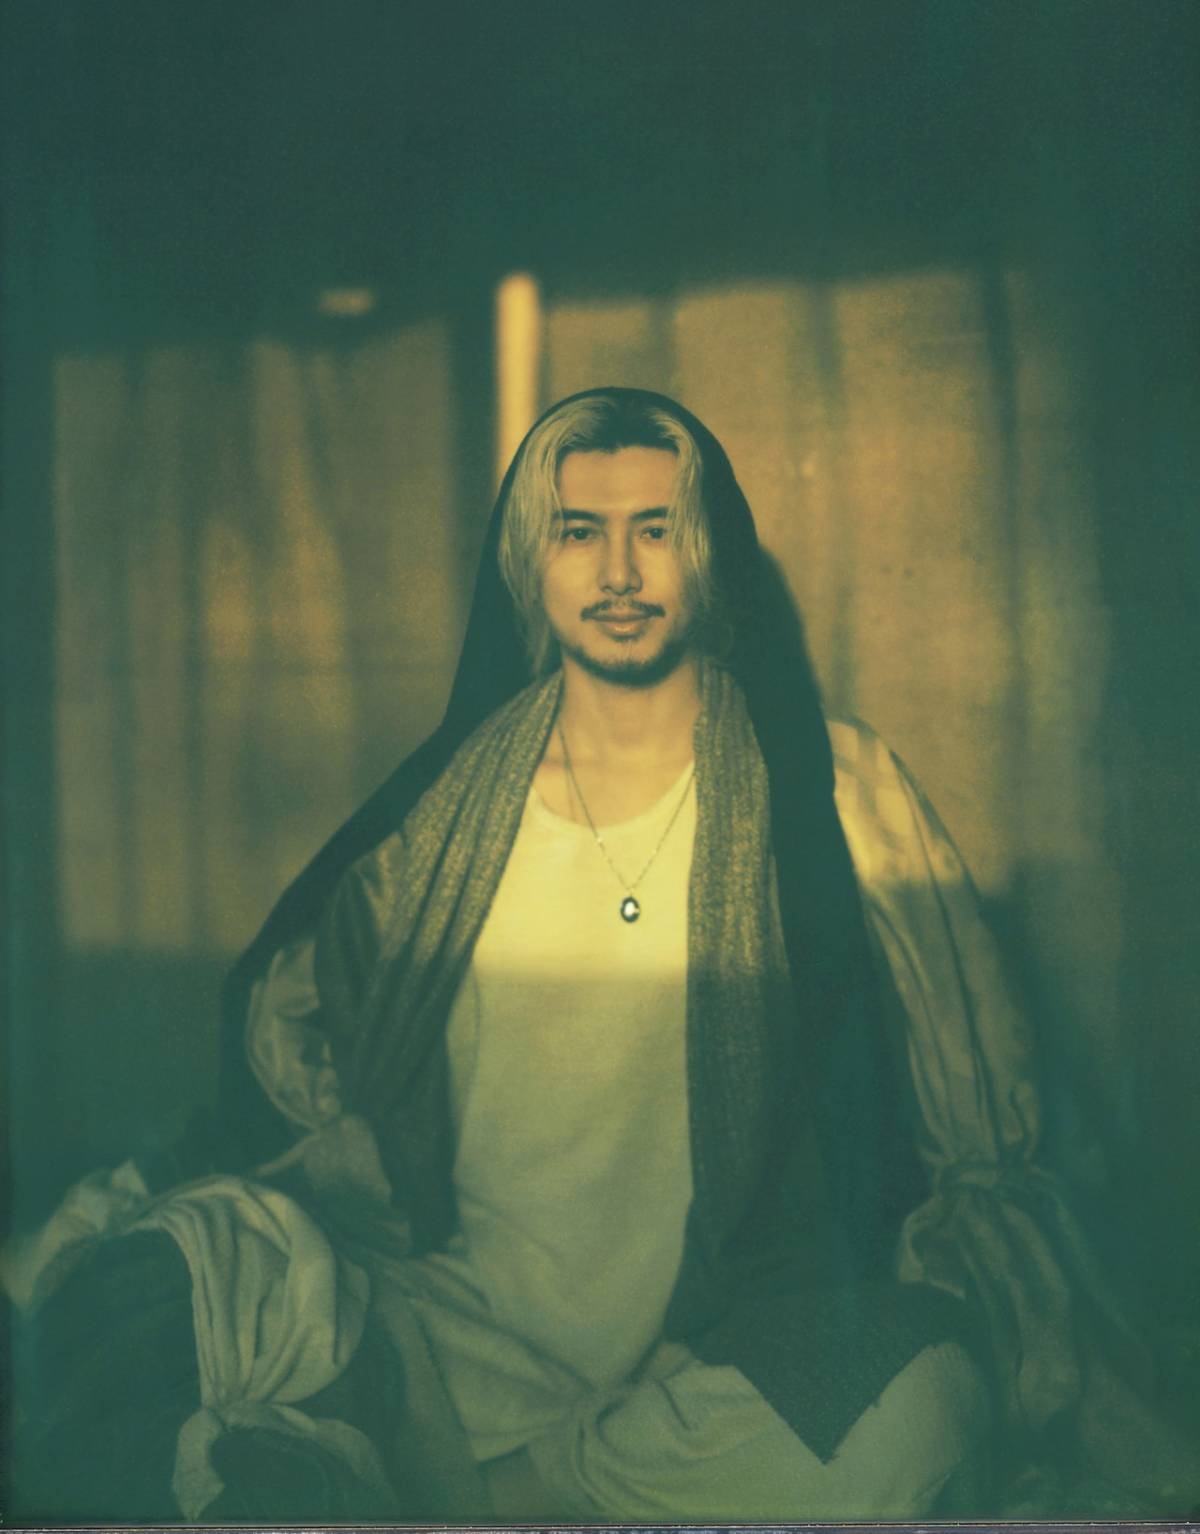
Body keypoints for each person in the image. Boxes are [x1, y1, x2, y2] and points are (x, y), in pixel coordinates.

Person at [8, 388, 1196, 1521]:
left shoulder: (832, 789)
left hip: (711, 1352)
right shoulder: (440, 830)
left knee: (924, 1407)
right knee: (184, 1279)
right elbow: (296, 1054)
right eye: (581, 532)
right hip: (449, 1332)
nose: (619, 572)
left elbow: (974, 1122)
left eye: (656, 530)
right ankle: (434, 1465)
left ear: (709, 556)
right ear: (534, 561)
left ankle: (480, 1493)